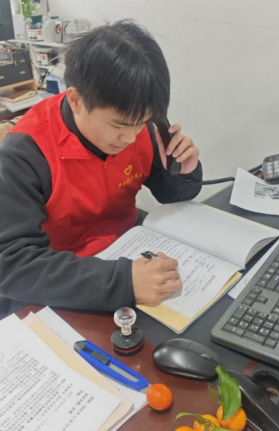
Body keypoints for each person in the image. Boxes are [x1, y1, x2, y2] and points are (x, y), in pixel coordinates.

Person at [0, 20, 203, 317]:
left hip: (130, 250)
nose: (131, 137)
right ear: (76, 100)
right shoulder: (24, 153)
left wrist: (184, 172)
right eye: (119, 125)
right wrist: (122, 282)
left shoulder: (140, 125)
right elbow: (12, 265)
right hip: (65, 279)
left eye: (141, 122)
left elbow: (170, 196)